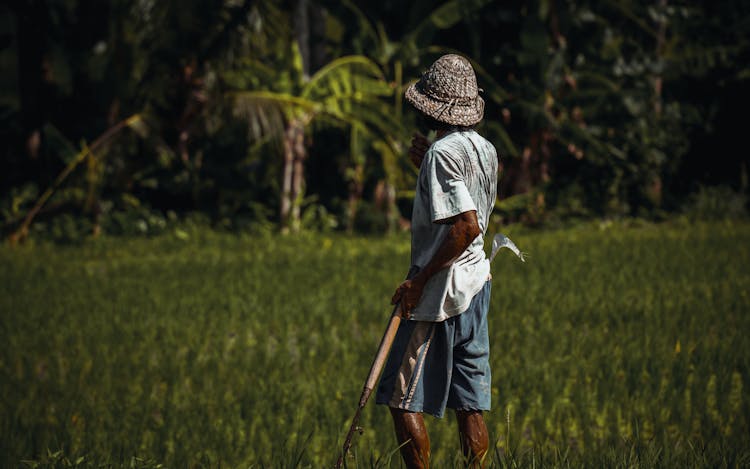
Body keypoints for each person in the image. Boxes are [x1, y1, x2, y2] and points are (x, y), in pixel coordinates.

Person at [375, 54, 499, 468]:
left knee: (400, 396)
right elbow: (466, 202)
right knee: (470, 404)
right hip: (477, 284)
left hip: (442, 291)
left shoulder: (441, 155)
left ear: (432, 105)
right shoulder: (484, 149)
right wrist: (426, 162)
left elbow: (466, 226)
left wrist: (418, 281)